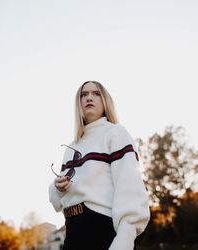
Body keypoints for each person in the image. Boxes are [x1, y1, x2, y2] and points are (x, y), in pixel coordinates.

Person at [49, 81, 150, 250]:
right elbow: (57, 202)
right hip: (72, 232)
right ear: (78, 103)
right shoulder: (71, 146)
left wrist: (124, 238)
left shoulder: (115, 133)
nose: (89, 97)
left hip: (102, 231)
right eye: (84, 94)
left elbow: (129, 187)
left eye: (96, 94)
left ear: (105, 101)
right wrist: (57, 188)